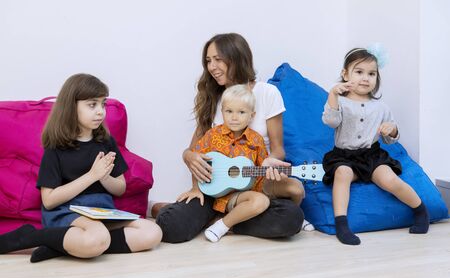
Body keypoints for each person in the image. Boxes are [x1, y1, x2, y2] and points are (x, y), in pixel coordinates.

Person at [155, 33, 305, 243]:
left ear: (236, 57)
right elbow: (192, 150)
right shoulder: (214, 98)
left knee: (291, 218)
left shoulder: (267, 93)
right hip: (214, 190)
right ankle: (218, 218)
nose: (212, 67)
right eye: (208, 61)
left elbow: (279, 149)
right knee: (171, 226)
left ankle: (222, 221)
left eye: (218, 59)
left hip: (254, 188)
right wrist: (188, 157)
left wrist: (270, 161)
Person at [0, 73, 162, 262]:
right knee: (98, 236)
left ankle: (61, 246)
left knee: (152, 233)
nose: (100, 111)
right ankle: (33, 236)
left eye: (103, 104)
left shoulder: (106, 142)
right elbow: (49, 200)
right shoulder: (55, 148)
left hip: (102, 212)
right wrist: (92, 176)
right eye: (92, 105)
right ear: (71, 107)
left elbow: (120, 188)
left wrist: (105, 177)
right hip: (68, 212)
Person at [322, 47, 429, 246]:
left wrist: (392, 130)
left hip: (372, 155)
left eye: (371, 74)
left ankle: (420, 210)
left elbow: (390, 140)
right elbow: (331, 121)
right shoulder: (341, 103)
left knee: (389, 179)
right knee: (342, 174)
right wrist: (333, 95)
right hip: (345, 156)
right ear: (345, 74)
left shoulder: (381, 108)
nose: (365, 78)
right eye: (359, 72)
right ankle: (342, 224)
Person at [179, 84, 271, 242]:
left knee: (261, 200)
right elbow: (197, 160)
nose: (234, 117)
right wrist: (195, 188)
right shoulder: (212, 135)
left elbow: (263, 170)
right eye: (229, 111)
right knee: (175, 221)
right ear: (222, 112)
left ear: (252, 115)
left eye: (241, 112)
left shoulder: (256, 140)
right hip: (212, 195)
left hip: (240, 196)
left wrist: (271, 174)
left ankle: (221, 225)